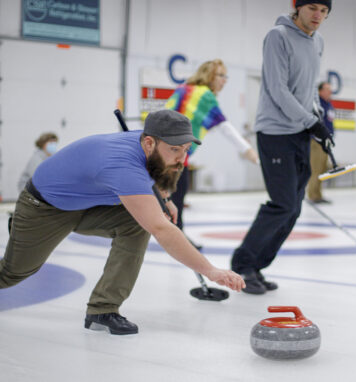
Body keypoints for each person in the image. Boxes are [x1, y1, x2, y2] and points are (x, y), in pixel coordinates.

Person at [0, 109, 245, 335]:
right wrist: (211, 270)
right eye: (175, 150)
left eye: (186, 149)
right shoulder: (122, 165)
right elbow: (161, 229)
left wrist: (164, 196)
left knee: (136, 223)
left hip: (86, 203)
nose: (182, 158)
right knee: (13, 273)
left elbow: (155, 171)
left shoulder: (149, 145)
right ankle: (21, 235)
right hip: (43, 208)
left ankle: (103, 309)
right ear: (149, 142)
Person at [230, 0, 334, 294]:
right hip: (275, 132)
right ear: (298, 8)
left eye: (324, 11)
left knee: (294, 209)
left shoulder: (318, 41)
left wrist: (317, 120)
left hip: (299, 132)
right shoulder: (278, 36)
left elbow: (309, 87)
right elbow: (278, 88)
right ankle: (243, 265)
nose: (318, 15)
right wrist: (309, 121)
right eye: (312, 8)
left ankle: (257, 267)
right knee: (283, 204)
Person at [165, 59, 259, 230]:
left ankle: (177, 235)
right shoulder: (205, 96)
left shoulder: (183, 89)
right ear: (209, 75)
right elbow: (225, 127)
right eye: (221, 75)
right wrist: (248, 151)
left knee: (168, 199)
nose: (225, 80)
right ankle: (178, 239)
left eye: (226, 76)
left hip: (161, 153)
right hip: (176, 158)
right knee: (177, 199)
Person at [307, 81, 335, 203]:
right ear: (320, 91)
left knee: (322, 169)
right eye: (327, 89)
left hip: (326, 142)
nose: (330, 91)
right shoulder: (317, 105)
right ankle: (312, 195)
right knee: (316, 169)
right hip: (317, 142)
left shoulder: (329, 105)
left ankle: (318, 194)